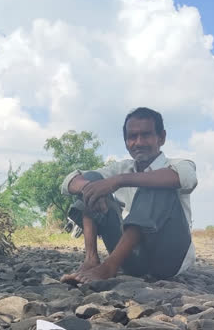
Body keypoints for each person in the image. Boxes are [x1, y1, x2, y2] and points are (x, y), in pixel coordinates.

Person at [60, 107, 197, 284]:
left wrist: (119, 181)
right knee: (93, 182)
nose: (139, 142)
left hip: (168, 259)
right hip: (132, 261)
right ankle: (91, 260)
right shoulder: (121, 168)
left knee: (156, 182)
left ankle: (109, 267)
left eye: (146, 135)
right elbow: (69, 181)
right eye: (132, 137)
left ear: (161, 137)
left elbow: (186, 178)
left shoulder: (178, 164)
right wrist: (92, 189)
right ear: (126, 142)